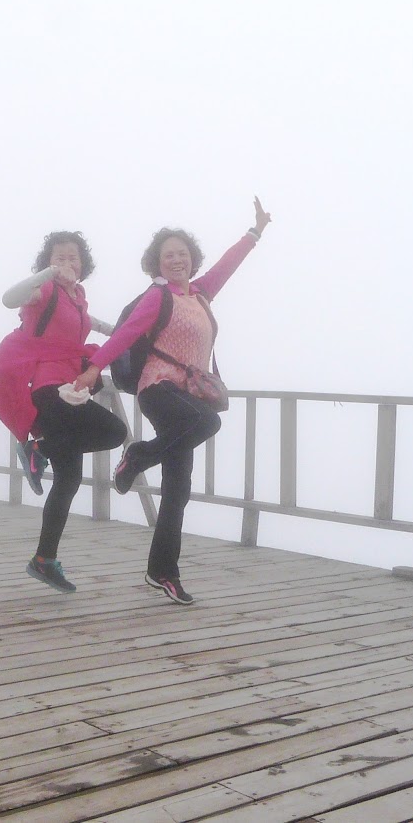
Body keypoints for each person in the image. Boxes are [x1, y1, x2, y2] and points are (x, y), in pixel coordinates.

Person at [73, 199, 273, 604]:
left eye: (183, 254)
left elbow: (227, 266)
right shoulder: (157, 296)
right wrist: (94, 368)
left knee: (178, 489)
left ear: (191, 259)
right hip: (158, 388)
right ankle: (138, 455)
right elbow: (126, 334)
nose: (177, 260)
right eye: (169, 255)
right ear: (158, 263)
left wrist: (255, 232)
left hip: (188, 395)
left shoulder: (200, 294)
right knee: (208, 422)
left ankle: (162, 571)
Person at [0, 231, 127, 593]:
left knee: (68, 479)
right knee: (114, 431)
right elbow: (8, 299)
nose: (68, 262)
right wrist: (49, 274)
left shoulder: (77, 298)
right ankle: (38, 449)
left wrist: (134, 333)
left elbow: (99, 326)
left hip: (71, 386)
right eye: (59, 256)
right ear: (48, 263)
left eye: (73, 257)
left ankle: (44, 560)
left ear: (83, 264)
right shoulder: (44, 290)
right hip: (48, 387)